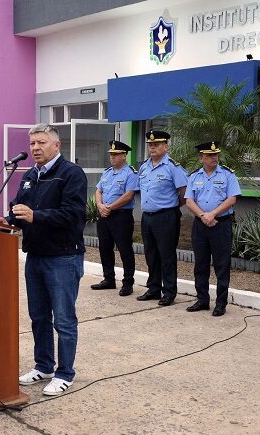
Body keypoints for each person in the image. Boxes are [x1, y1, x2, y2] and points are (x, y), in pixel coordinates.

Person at [0, 123, 87, 396]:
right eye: (32, 143)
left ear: (57, 145)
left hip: (63, 258)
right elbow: (20, 210)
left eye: (42, 143)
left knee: (64, 320)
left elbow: (74, 215)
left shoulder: (71, 174)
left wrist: (37, 216)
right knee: (38, 317)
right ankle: (44, 365)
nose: (35, 148)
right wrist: (7, 220)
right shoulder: (29, 175)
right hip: (35, 256)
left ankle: (64, 373)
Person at [184, 142, 241, 316]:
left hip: (221, 224)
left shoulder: (227, 175)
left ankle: (221, 303)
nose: (214, 157)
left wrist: (213, 214)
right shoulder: (194, 177)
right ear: (201, 157)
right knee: (200, 264)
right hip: (200, 225)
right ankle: (202, 300)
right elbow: (189, 200)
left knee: (221, 265)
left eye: (215, 154)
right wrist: (203, 216)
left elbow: (232, 199)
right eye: (209, 155)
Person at [136, 130, 188, 306]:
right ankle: (154, 288)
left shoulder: (173, 167)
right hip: (147, 217)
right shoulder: (144, 166)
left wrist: (170, 206)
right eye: (150, 145)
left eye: (156, 144)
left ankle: (169, 292)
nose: (152, 147)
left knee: (166, 255)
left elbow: (184, 193)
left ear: (165, 146)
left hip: (166, 216)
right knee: (151, 254)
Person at [91, 140, 139, 296]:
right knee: (104, 248)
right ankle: (109, 279)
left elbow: (129, 195)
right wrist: (99, 205)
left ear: (124, 156)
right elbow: (98, 190)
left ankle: (128, 283)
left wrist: (109, 207)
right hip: (104, 215)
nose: (112, 157)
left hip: (121, 216)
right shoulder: (107, 172)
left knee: (125, 249)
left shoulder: (130, 173)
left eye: (116, 154)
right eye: (111, 154)